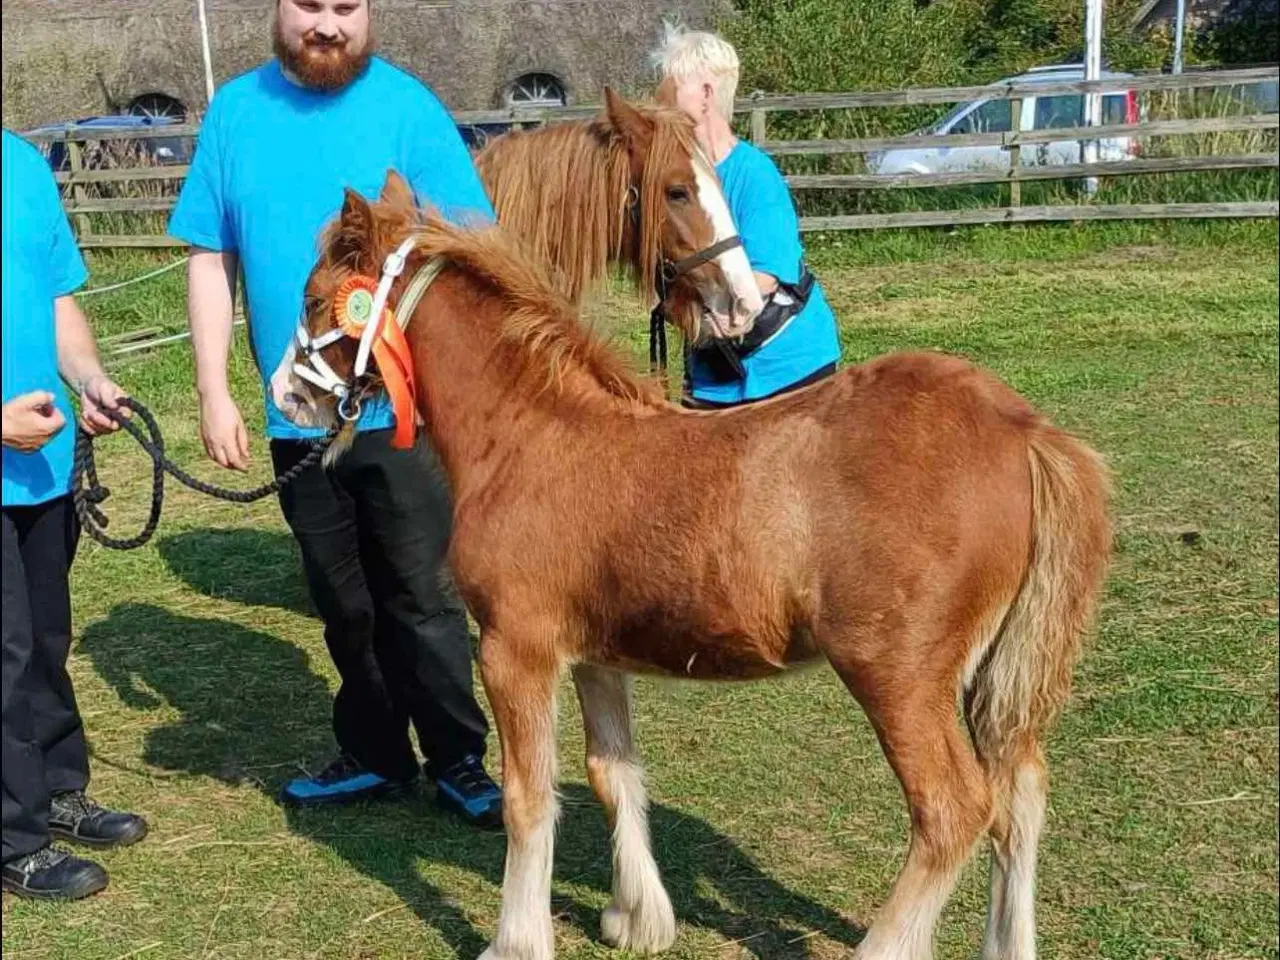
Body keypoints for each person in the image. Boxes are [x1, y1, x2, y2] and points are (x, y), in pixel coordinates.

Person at [166, 0, 502, 826]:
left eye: (345, 8)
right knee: (342, 600)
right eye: (310, 6)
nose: (328, 26)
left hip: (400, 415)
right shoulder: (235, 116)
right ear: (279, 11)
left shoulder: (408, 107)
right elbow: (211, 257)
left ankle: (460, 758)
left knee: (422, 594)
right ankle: (375, 752)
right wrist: (214, 389)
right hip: (298, 419)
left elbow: (472, 244)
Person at [2, 129, 149, 900]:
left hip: (42, 468)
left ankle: (57, 790)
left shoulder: (23, 165)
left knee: (44, 642)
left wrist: (89, 379)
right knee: (4, 652)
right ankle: (12, 837)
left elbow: (55, 299)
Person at [651, 25, 842, 407]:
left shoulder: (754, 173)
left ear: (705, 94)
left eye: (670, 86)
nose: (659, 97)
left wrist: (709, 311)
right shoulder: (674, 182)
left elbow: (767, 274)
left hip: (787, 370)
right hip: (713, 375)